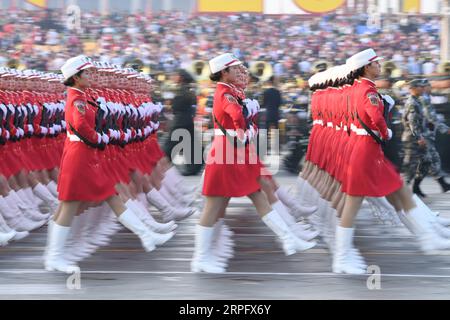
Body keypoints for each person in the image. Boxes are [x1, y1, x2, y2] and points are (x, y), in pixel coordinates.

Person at [44, 55, 171, 273]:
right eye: (88, 73)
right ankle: (54, 256)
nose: (92, 76)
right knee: (69, 205)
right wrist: (98, 138)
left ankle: (146, 235)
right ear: (75, 77)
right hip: (80, 155)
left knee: (110, 195)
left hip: (87, 154)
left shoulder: (83, 96)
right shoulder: (77, 98)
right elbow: (80, 125)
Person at [191, 53, 315, 274]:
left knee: (257, 192)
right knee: (215, 205)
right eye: (235, 69)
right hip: (228, 150)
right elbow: (236, 116)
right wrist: (245, 126)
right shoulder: (225, 93)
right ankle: (201, 258)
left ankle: (288, 238)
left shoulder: (229, 92)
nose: (240, 72)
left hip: (234, 150)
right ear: (223, 72)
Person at [163, 69, 201, 176]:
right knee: (191, 145)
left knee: (169, 147)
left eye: (175, 75)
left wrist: (171, 103)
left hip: (180, 121)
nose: (173, 77)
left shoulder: (182, 90)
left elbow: (176, 106)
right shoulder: (189, 88)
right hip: (187, 120)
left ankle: (161, 167)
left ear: (181, 77)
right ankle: (192, 168)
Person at [418, 78, 450, 193]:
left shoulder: (424, 98)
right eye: (429, 86)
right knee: (432, 158)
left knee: (427, 160)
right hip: (423, 134)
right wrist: (446, 129)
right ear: (424, 87)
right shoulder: (424, 99)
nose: (430, 88)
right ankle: (442, 184)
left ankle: (416, 187)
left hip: (425, 133)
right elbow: (431, 118)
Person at [401, 79, 429, 197]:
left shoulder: (418, 101)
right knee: (410, 167)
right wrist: (419, 137)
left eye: (423, 86)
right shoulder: (412, 102)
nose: (423, 88)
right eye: (420, 87)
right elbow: (412, 122)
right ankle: (402, 193)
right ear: (413, 88)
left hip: (418, 137)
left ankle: (415, 187)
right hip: (412, 138)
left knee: (425, 162)